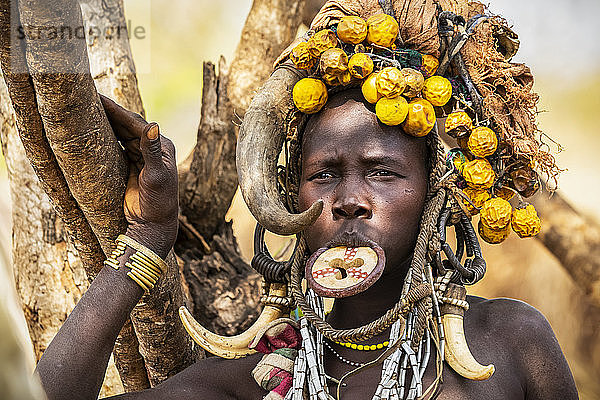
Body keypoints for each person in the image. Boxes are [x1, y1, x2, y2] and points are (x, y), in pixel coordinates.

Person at [33, 1, 579, 399]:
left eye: (383, 173)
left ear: (438, 193)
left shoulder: (511, 344)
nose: (350, 201)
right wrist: (147, 242)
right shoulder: (251, 382)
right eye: (324, 175)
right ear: (294, 198)